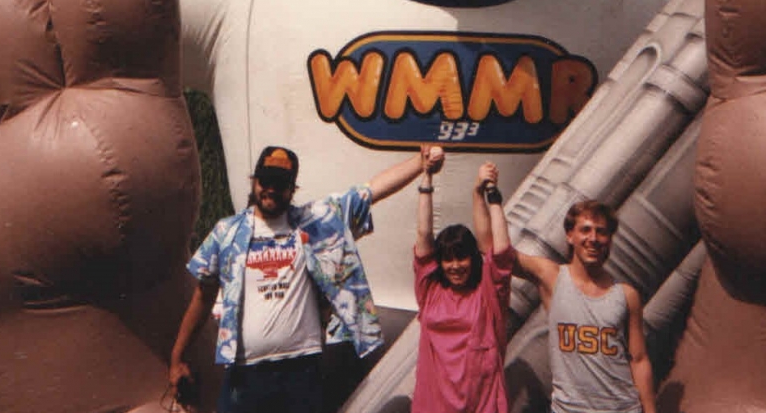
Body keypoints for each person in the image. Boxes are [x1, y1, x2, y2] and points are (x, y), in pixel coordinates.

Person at [169, 144, 431, 413]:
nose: (271, 189)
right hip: (245, 373)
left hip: (301, 370)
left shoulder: (315, 222)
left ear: (293, 189)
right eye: (266, 181)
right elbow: (203, 296)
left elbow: (370, 191)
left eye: (281, 183)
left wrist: (420, 162)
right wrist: (178, 356)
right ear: (254, 181)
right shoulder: (227, 233)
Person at [515, 201, 656, 413]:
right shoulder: (552, 278)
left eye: (601, 232)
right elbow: (494, 250)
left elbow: (639, 359)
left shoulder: (626, 295)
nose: (593, 238)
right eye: (585, 230)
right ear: (570, 235)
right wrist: (483, 195)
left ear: (609, 240)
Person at [412, 152, 515, 413]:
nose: (455, 266)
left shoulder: (488, 294)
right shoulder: (430, 291)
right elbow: (424, 233)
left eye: (462, 258)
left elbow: (501, 251)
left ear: (474, 258)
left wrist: (492, 195)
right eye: (447, 260)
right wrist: (427, 176)